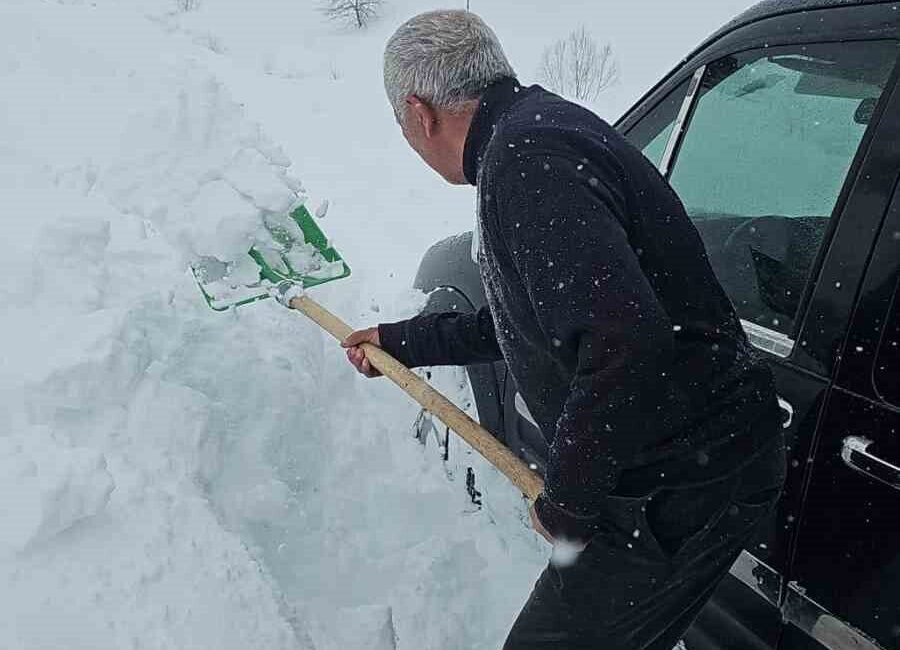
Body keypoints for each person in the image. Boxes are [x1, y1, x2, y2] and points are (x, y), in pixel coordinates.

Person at [342, 10, 787, 650]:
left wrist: (570, 500)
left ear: (420, 111)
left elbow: (624, 343)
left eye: (401, 126)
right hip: (692, 461)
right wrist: (403, 339)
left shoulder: (527, 161)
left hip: (675, 483)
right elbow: (537, 326)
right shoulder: (537, 133)